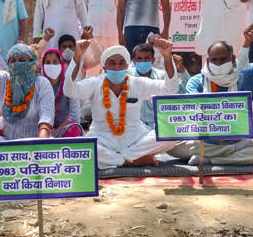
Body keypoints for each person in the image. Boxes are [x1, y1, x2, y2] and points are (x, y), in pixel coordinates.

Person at [170, 28, 253, 165]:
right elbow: (195, 107)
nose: (218, 64)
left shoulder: (246, 76)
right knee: (170, 146)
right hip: (205, 141)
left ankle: (211, 159)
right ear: (207, 61)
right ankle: (234, 152)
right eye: (214, 60)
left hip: (236, 139)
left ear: (232, 59)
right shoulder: (196, 81)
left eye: (223, 60)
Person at [64, 40, 178, 168]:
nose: (117, 67)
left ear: (127, 66)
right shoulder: (95, 83)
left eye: (121, 63)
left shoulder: (138, 83)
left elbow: (170, 89)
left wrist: (167, 57)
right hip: (103, 139)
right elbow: (69, 90)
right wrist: (77, 57)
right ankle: (128, 160)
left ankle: (116, 158)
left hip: (135, 139)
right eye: (112, 63)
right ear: (104, 67)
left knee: (170, 134)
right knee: (77, 147)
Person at [40, 48, 82, 137]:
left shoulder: (69, 83)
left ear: (61, 64)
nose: (51, 65)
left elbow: (74, 116)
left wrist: (54, 134)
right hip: (44, 131)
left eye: (55, 62)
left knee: (73, 127)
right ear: (43, 65)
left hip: (65, 130)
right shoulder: (40, 85)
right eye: (47, 62)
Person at [129, 43, 167, 129]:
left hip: (157, 126)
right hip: (133, 127)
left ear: (152, 60)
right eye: (139, 58)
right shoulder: (127, 77)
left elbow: (175, 90)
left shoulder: (162, 77)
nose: (142, 61)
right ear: (134, 61)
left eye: (146, 58)